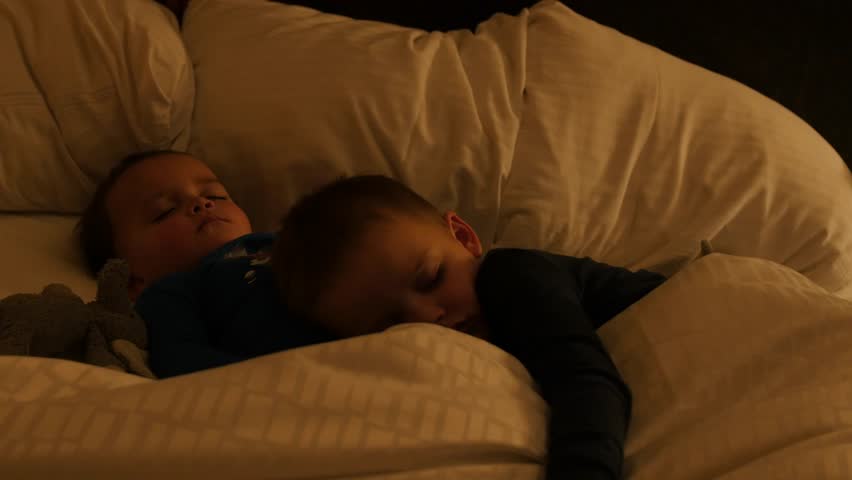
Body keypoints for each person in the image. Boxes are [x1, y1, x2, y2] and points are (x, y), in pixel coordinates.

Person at [272, 174, 666, 480]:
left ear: (463, 237)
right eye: (388, 324)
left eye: (431, 278)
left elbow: (585, 381)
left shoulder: (510, 277)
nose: (427, 317)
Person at [77, 150, 333, 378]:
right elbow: (182, 360)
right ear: (132, 280)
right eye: (165, 211)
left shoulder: (284, 241)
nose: (202, 203)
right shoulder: (172, 292)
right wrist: (264, 380)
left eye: (216, 196)